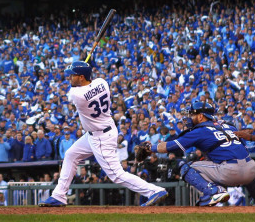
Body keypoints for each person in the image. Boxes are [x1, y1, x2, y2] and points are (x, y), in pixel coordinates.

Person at [39, 61, 166, 207]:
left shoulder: (76, 94)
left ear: (81, 77)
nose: (70, 78)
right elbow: (90, 82)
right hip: (102, 130)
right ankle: (59, 195)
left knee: (116, 174)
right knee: (70, 155)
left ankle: (154, 191)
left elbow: (76, 89)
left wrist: (82, 73)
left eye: (73, 75)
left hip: (100, 137)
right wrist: (83, 72)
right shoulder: (102, 82)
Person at [146, 101, 255, 206]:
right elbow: (242, 149)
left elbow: (170, 146)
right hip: (251, 169)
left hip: (230, 171)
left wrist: (150, 147)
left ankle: (214, 192)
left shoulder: (199, 130)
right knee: (242, 163)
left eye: (192, 114)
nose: (190, 118)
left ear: (201, 116)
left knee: (184, 166)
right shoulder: (229, 126)